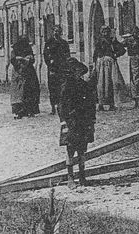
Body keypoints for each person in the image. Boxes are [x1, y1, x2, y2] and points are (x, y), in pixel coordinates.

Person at [58, 57, 96, 188]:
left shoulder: (85, 86)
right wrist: (63, 122)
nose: (77, 74)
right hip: (71, 122)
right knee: (70, 149)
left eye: (79, 71)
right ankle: (70, 178)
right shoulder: (66, 87)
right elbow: (62, 107)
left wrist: (92, 120)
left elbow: (91, 104)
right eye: (75, 71)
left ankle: (82, 176)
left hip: (83, 121)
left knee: (82, 150)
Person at [92, 26, 126, 111]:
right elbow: (95, 53)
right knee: (101, 84)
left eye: (107, 31)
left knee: (112, 83)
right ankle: (100, 104)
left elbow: (122, 50)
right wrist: (94, 63)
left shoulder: (113, 41)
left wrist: (115, 54)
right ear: (101, 32)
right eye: (103, 31)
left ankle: (111, 104)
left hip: (110, 64)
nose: (105, 33)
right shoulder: (99, 41)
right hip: (101, 64)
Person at [9, 36, 41, 119]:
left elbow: (32, 59)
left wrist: (27, 59)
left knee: (30, 90)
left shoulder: (28, 49)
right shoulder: (14, 50)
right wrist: (21, 61)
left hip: (29, 73)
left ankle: (30, 110)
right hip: (18, 72)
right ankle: (19, 111)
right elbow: (13, 60)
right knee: (18, 92)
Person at [43, 26, 71, 115]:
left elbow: (67, 55)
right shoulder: (48, 43)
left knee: (62, 88)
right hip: (53, 68)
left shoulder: (64, 43)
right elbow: (46, 56)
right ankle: (53, 108)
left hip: (62, 68)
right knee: (52, 88)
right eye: (55, 31)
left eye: (58, 31)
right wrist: (50, 66)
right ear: (52, 32)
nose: (56, 33)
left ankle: (62, 106)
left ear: (61, 33)